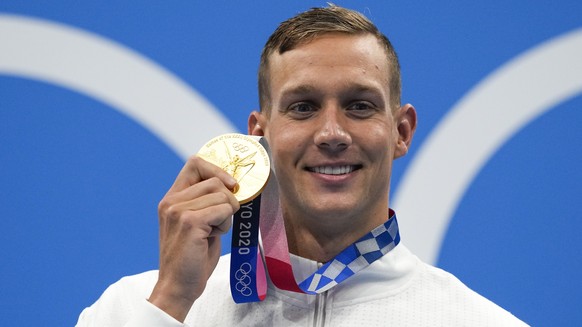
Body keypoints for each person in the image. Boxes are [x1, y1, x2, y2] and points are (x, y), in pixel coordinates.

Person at [76, 5, 527, 326]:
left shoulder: (476, 320)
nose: (332, 133)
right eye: (303, 107)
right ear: (259, 135)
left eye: (359, 105)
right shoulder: (136, 308)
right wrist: (173, 298)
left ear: (401, 132)